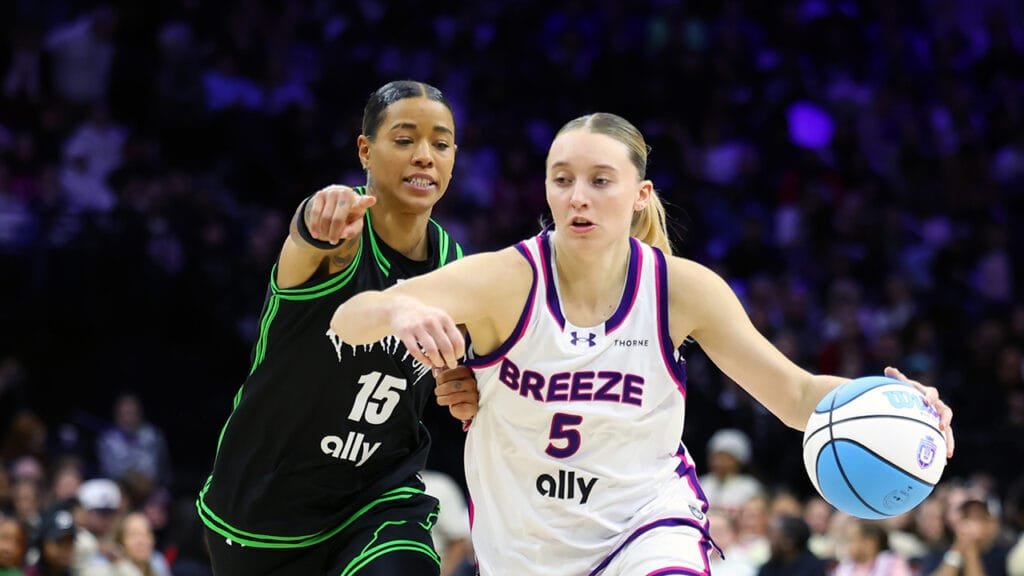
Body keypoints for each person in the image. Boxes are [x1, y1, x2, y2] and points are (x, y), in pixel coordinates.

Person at [330, 112, 956, 575]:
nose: (578, 196)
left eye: (600, 180)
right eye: (562, 179)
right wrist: (401, 306)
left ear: (640, 196)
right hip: (524, 545)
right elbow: (350, 318)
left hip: (646, 523)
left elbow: (795, 395)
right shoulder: (505, 280)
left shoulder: (682, 290)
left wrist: (892, 404)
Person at [195, 80, 480, 576]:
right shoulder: (342, 234)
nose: (424, 156)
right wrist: (316, 216)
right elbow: (308, 233)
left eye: (441, 143)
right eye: (405, 139)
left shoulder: (454, 265)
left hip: (378, 494)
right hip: (264, 507)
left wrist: (466, 386)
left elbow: (460, 373)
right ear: (365, 150)